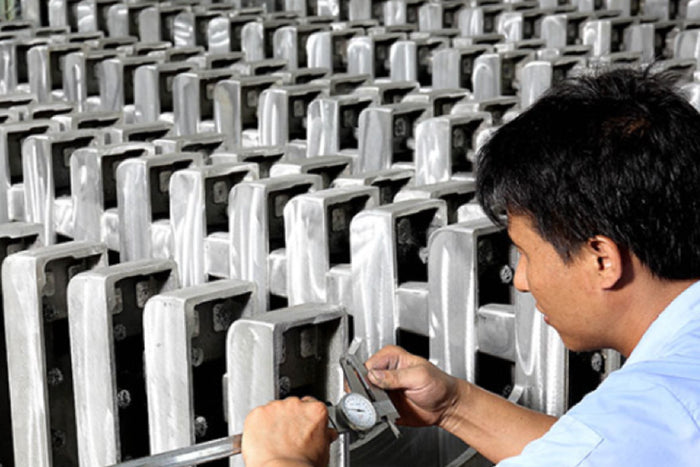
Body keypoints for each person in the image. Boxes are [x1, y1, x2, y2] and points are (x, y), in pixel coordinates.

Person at [241, 67, 700, 466]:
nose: (522, 281)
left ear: (602, 260)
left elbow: (597, 450)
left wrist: (281, 458)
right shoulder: (660, 403)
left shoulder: (630, 427)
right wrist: (453, 405)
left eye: (526, 252)